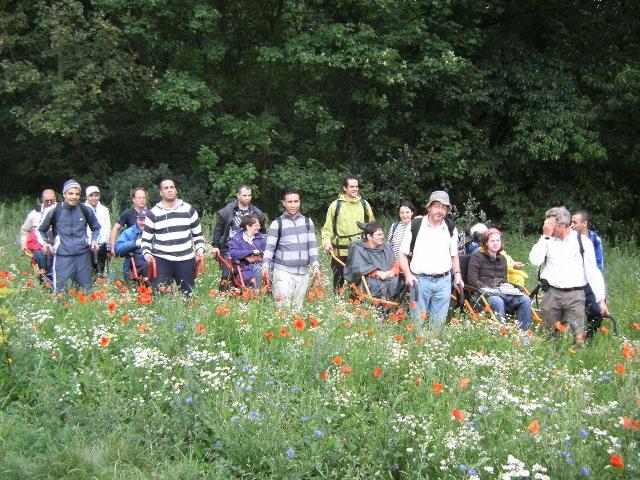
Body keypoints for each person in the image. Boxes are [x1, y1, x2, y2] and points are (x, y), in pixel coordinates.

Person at [529, 206, 608, 341]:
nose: (546, 226)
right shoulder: (547, 240)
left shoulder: (582, 242)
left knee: (575, 338)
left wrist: (601, 301)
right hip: (551, 295)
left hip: (575, 296)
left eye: (550, 224)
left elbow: (593, 272)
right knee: (549, 337)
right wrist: (545, 237)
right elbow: (535, 261)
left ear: (562, 224)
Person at [399, 190, 464, 330]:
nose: (440, 211)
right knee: (417, 324)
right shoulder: (415, 225)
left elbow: (454, 255)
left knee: (438, 326)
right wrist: (408, 275)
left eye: (444, 207)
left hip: (444, 282)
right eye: (437, 206)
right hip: (420, 281)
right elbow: (402, 254)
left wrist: (457, 275)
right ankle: (415, 350)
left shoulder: (451, 227)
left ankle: (431, 350)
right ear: (429, 207)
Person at [141, 179, 205, 295]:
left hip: (185, 259)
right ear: (161, 192)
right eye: (166, 188)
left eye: (172, 187)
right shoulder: (153, 213)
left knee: (188, 296)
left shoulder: (189, 210)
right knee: (161, 297)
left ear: (176, 190)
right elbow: (146, 240)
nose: (169, 190)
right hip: (162, 259)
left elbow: (198, 235)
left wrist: (200, 250)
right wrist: (147, 254)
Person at [37, 180, 100, 292]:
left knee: (87, 292)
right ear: (64, 194)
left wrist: (94, 240)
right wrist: (45, 243)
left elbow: (96, 227)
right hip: (63, 257)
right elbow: (40, 229)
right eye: (70, 193)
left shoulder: (85, 209)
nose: (74, 197)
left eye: (77, 194)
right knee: (61, 294)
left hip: (83, 256)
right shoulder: (54, 210)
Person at [261, 189, 320, 309]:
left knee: (297, 310)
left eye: (296, 201)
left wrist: (315, 265)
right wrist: (265, 266)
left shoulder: (308, 222)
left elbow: (312, 246)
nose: (293, 205)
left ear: (300, 202)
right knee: (283, 309)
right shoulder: (277, 223)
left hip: (303, 273)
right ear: (284, 203)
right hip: (283, 272)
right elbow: (269, 248)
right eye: (289, 202)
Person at [467, 228, 532, 331]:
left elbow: (503, 281)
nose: (496, 243)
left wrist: (508, 286)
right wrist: (489, 289)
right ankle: (501, 332)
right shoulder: (477, 256)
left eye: (498, 240)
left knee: (525, 299)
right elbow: (471, 280)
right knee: (497, 301)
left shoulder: (502, 259)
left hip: (502, 293)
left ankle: (523, 334)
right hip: (482, 295)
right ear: (486, 243)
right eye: (492, 241)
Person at [321, 176, 375, 290]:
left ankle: (355, 305)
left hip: (359, 251)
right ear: (345, 188)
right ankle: (337, 305)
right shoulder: (335, 205)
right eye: (352, 187)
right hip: (339, 252)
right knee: (338, 282)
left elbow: (372, 227)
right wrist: (326, 243)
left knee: (356, 284)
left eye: (356, 186)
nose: (355, 189)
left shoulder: (364, 205)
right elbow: (327, 229)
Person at [211, 185, 266, 290]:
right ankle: (223, 296)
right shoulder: (228, 210)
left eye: (250, 195)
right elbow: (218, 229)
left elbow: (262, 231)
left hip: (250, 248)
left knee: (256, 271)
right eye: (244, 195)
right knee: (227, 274)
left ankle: (254, 293)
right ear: (238, 195)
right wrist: (215, 245)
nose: (247, 197)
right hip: (230, 249)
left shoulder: (257, 213)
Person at [571, 210, 606, 338]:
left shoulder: (594, 239)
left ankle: (589, 338)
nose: (572, 225)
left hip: (590, 280)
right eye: (571, 222)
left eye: (575, 222)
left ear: (584, 223)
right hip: (573, 281)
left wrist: (600, 294)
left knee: (597, 311)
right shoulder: (569, 238)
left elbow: (598, 266)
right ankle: (574, 338)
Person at [344, 222, 401, 300]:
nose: (382, 237)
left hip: (388, 277)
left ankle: (396, 307)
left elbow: (394, 262)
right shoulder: (359, 249)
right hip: (366, 279)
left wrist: (393, 271)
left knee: (402, 282)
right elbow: (358, 267)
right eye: (378, 235)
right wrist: (378, 273)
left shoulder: (387, 247)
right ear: (369, 236)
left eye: (382, 234)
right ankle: (378, 309)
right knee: (375, 284)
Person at [20, 189, 57, 274]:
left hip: (58, 244)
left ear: (55, 199)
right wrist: (24, 244)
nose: (49, 202)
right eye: (47, 201)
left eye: (52, 200)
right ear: (42, 200)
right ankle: (44, 278)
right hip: (39, 246)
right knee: (41, 256)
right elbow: (25, 230)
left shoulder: (62, 210)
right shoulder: (34, 214)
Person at [228, 214, 266, 289]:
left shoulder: (261, 238)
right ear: (248, 226)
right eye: (256, 225)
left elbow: (267, 252)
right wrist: (250, 252)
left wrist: (259, 255)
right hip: (245, 268)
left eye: (259, 225)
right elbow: (232, 252)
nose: (259, 227)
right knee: (258, 269)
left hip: (261, 264)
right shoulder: (237, 238)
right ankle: (257, 294)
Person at [109, 188, 147, 256]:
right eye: (139, 198)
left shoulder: (152, 212)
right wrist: (112, 248)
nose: (142, 200)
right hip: (132, 250)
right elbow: (115, 228)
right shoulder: (128, 213)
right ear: (133, 199)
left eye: (144, 198)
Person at [114, 209, 149, 282]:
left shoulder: (156, 231)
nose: (143, 223)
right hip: (135, 262)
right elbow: (118, 250)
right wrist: (134, 243)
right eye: (141, 220)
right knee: (145, 264)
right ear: (137, 220)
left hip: (153, 260)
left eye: (146, 220)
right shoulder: (129, 232)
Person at [85, 186, 111, 275]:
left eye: (96, 195)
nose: (94, 198)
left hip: (102, 244)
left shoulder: (104, 210)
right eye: (91, 195)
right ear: (86, 197)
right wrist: (91, 242)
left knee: (101, 271)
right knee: (89, 271)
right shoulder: (83, 208)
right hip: (87, 245)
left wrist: (108, 248)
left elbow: (107, 229)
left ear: (99, 196)